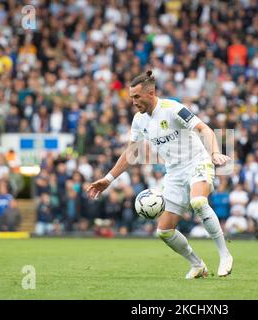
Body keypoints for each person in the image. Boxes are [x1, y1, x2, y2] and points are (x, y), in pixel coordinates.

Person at [87, 70, 233, 279]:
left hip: (197, 162)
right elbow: (131, 153)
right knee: (164, 231)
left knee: (199, 202)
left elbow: (205, 129)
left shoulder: (173, 109)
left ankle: (224, 254)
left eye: (137, 97)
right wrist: (108, 179)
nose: (134, 102)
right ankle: (198, 265)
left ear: (151, 93)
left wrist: (215, 152)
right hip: (173, 172)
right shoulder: (139, 120)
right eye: (131, 98)